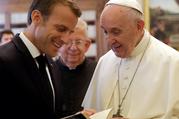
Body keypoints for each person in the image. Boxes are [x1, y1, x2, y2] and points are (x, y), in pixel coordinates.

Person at [82, 0, 179, 119]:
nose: (109, 40)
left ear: (139, 26)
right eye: (106, 32)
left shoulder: (172, 62)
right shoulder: (104, 61)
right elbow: (91, 112)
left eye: (116, 32)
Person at [0, 0, 81, 119]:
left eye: (70, 32)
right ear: (37, 18)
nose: (65, 39)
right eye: (61, 29)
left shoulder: (51, 63)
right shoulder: (3, 61)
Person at [55, 18, 97, 118]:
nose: (73, 48)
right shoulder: (48, 71)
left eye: (78, 42)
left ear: (87, 45)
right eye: (68, 42)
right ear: (59, 44)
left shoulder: (98, 70)